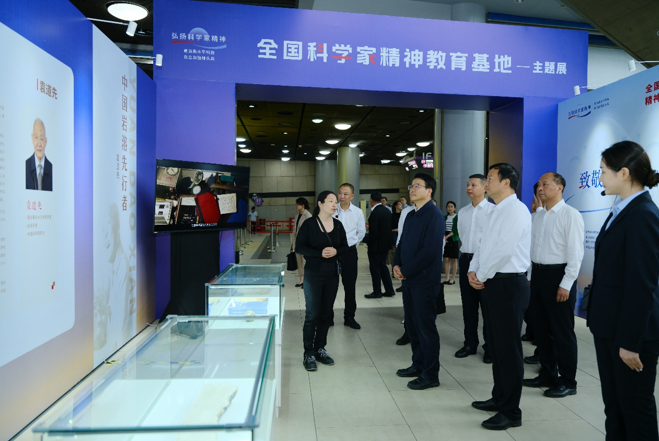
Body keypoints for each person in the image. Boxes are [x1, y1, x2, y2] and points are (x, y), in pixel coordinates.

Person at [588, 141, 659, 440]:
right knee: (615, 406)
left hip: (629, 335)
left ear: (624, 173)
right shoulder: (622, 209)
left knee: (635, 409)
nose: (600, 178)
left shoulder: (643, 214)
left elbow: (642, 284)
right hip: (609, 327)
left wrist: (630, 342)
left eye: (604, 171)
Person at [468, 163, 531, 431]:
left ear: (506, 182)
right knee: (495, 346)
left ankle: (511, 411)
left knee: (508, 349)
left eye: (490, 178)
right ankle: (499, 397)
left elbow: (504, 250)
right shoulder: (495, 210)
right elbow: (483, 245)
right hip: (492, 282)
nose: (486, 183)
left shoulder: (516, 210)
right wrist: (473, 270)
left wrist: (481, 274)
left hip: (508, 284)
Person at [523, 172, 584, 398]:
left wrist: (566, 284)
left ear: (560, 187)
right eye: (539, 184)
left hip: (559, 276)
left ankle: (568, 381)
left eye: (545, 184)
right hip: (538, 276)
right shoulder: (538, 216)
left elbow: (576, 253)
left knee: (562, 332)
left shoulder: (570, 215)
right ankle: (547, 374)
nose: (540, 188)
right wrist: (530, 276)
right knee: (541, 329)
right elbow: (533, 250)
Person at [393, 173, 444, 390]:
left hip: (424, 282)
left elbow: (430, 251)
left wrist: (405, 270)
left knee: (425, 328)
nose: (412, 189)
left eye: (417, 186)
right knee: (412, 326)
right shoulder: (411, 214)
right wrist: (396, 264)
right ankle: (418, 364)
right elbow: (402, 243)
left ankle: (431, 374)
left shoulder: (434, 215)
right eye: (411, 186)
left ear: (429, 190)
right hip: (409, 281)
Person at [294, 190, 349, 372]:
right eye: (331, 201)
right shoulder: (309, 224)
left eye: (335, 201)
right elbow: (299, 247)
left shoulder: (338, 225)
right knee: (312, 315)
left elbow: (345, 247)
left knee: (326, 314)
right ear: (320, 203)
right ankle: (308, 352)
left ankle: (320, 349)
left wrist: (336, 251)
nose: (335, 204)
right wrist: (319, 253)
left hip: (332, 275)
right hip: (313, 274)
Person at [454, 174, 493, 363]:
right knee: (468, 306)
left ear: (485, 187)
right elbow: (462, 235)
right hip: (466, 260)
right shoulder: (462, 212)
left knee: (487, 307)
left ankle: (490, 347)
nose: (469, 187)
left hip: (486, 263)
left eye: (473, 184)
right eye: (468, 184)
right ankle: (470, 343)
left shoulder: (493, 211)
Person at [334, 183, 366, 329]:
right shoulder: (332, 209)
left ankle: (349, 317)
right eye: (340, 193)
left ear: (352, 196)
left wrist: (351, 244)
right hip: (333, 252)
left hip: (349, 252)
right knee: (330, 285)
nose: (342, 196)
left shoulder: (357, 212)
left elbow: (361, 232)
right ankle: (327, 317)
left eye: (345, 194)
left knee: (350, 286)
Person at [365, 191, 395, 298]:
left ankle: (377, 291)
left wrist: (367, 241)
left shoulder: (374, 213)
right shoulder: (387, 211)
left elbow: (373, 231)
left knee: (375, 269)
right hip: (385, 245)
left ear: (371, 200)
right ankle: (389, 290)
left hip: (375, 246)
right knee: (383, 267)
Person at [25, 118, 53, 191]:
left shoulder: (51, 168)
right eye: (36, 137)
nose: (39, 144)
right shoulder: (26, 166)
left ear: (46, 142)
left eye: (41, 139)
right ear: (32, 139)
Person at [291, 197, 312, 288]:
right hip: (297, 242)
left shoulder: (308, 215)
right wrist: (293, 244)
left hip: (305, 243)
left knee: (305, 262)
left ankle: (307, 280)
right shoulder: (297, 216)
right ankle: (301, 280)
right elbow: (295, 231)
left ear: (303, 205)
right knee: (299, 262)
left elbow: (310, 231)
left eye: (298, 204)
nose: (296, 206)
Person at [443, 201, 459, 285]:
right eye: (448, 206)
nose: (450, 208)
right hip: (445, 239)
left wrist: (447, 236)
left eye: (451, 206)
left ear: (454, 208)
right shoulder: (445, 217)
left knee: (453, 259)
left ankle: (453, 279)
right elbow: (442, 227)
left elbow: (456, 229)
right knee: (446, 259)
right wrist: (444, 237)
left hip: (453, 238)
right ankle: (447, 278)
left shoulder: (457, 217)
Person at [387, 200, 403, 274]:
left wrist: (397, 229)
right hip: (393, 237)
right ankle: (394, 271)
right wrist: (396, 229)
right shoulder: (391, 216)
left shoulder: (403, 215)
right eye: (399, 204)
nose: (401, 206)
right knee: (393, 254)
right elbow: (390, 227)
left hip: (401, 236)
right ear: (395, 206)